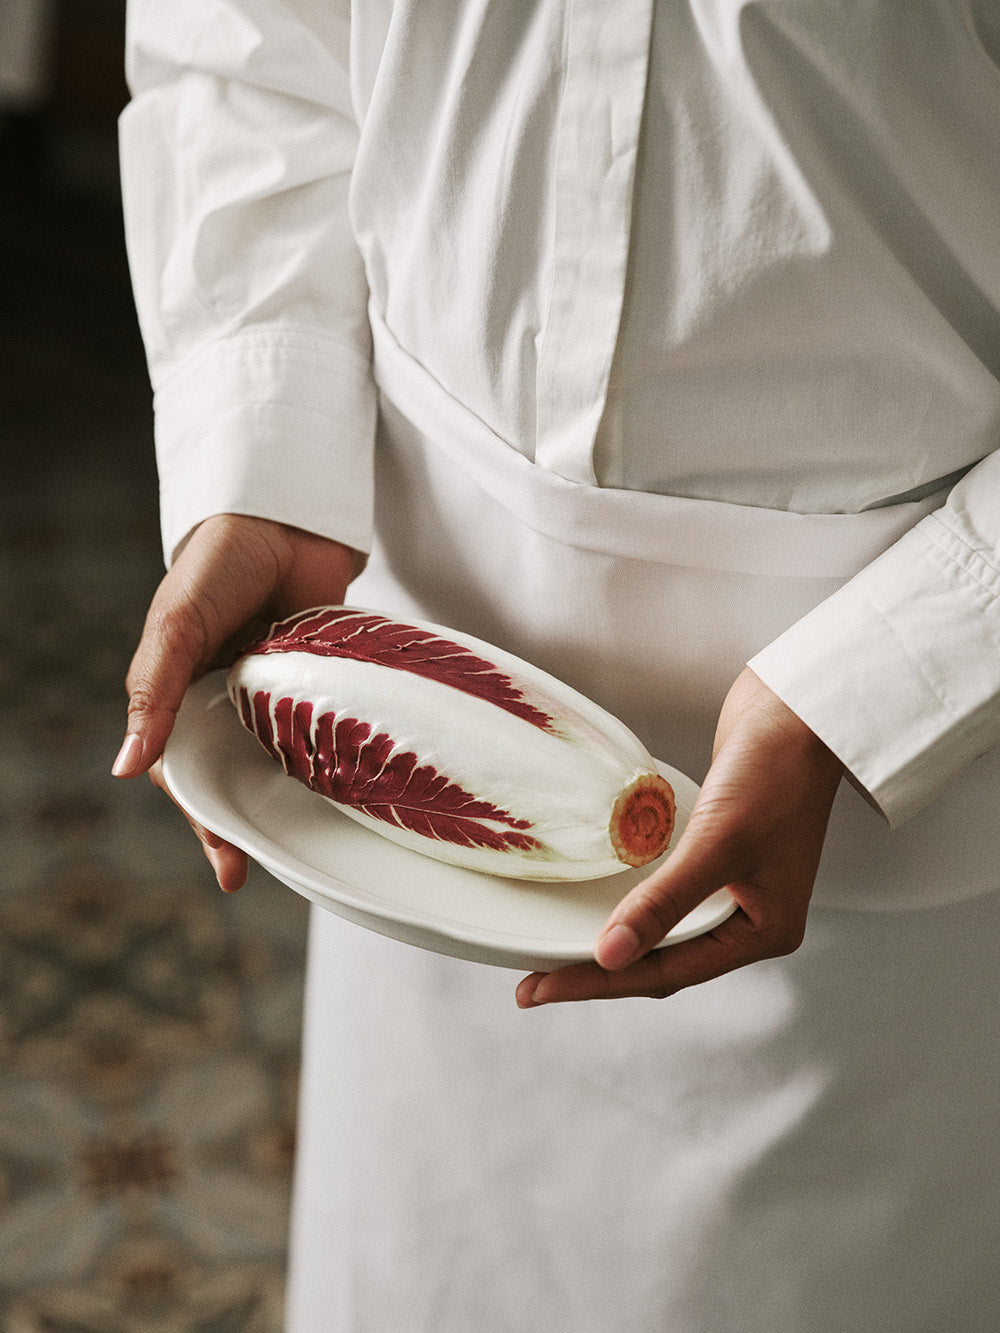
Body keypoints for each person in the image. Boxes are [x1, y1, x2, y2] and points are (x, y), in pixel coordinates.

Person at [114, 1, 1000, 1327]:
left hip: (908, 782)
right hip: (416, 731)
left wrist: (902, 667)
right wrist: (263, 463)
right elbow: (249, 40)